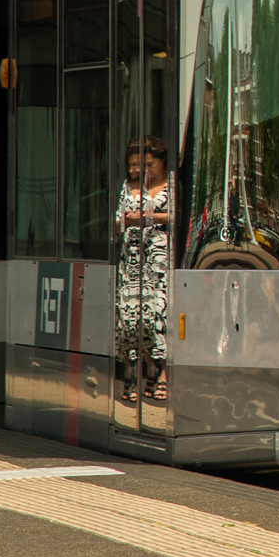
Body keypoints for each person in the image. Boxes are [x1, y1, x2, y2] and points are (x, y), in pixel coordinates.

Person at [115, 136, 172, 405]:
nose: (142, 169)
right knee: (131, 321)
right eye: (137, 164)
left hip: (158, 263)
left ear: (162, 162)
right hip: (131, 262)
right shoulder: (128, 187)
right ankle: (134, 376)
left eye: (149, 163)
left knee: (155, 318)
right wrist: (124, 222)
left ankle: (158, 375)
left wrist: (147, 219)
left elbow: (176, 216)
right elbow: (118, 220)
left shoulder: (171, 186)